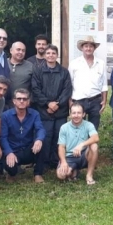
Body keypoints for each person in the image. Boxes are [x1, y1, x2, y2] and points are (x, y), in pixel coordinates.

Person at [31, 44, 73, 183]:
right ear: (45, 55)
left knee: (59, 139)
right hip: (44, 112)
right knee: (45, 139)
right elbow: (35, 89)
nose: (50, 55)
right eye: (48, 53)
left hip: (60, 112)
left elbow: (67, 90)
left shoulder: (64, 72)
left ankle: (56, 165)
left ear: (57, 55)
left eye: (53, 53)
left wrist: (58, 103)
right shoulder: (38, 71)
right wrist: (47, 104)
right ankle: (39, 171)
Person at [0, 88, 45, 181]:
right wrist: (9, 152)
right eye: (19, 98)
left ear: (28, 101)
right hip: (13, 150)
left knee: (42, 143)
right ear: (14, 101)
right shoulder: (5, 116)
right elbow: (3, 137)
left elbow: (40, 129)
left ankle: (38, 174)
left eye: (24, 99)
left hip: (28, 150)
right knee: (11, 168)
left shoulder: (34, 114)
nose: (21, 101)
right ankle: (11, 174)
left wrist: (39, 139)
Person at [69, 36, 108, 130]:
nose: (88, 48)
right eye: (86, 46)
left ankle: (91, 145)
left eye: (91, 46)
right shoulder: (74, 63)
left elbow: (104, 84)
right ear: (82, 48)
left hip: (95, 100)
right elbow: (69, 84)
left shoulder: (101, 63)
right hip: (78, 100)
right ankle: (80, 145)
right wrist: (70, 102)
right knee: (78, 129)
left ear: (94, 48)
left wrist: (104, 101)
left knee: (93, 129)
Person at [56, 102, 100, 184]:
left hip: (84, 155)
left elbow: (96, 138)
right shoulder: (64, 127)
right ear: (70, 114)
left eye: (79, 113)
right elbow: (61, 147)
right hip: (70, 156)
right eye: (74, 113)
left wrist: (81, 145)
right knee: (61, 175)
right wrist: (63, 162)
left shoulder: (88, 125)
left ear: (83, 114)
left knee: (94, 146)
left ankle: (89, 176)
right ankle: (74, 171)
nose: (76, 115)